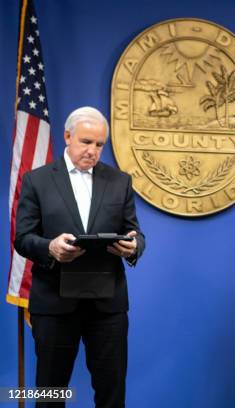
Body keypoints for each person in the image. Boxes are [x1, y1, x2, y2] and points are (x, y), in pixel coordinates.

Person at [14, 106, 146, 408]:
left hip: (107, 306)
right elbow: (23, 238)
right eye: (86, 142)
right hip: (54, 301)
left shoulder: (120, 181)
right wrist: (50, 247)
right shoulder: (37, 180)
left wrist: (134, 246)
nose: (93, 151)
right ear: (67, 136)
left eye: (100, 145)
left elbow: (135, 232)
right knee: (50, 393)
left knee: (111, 393)